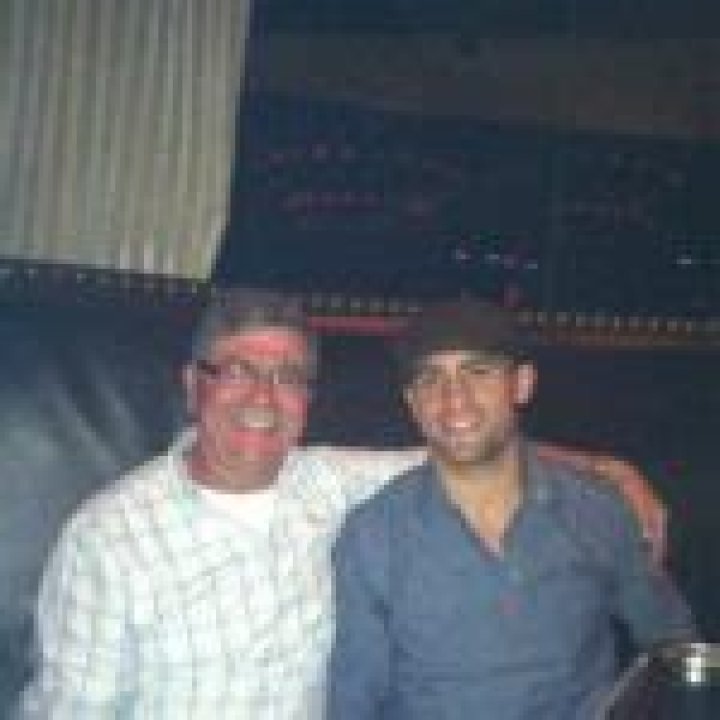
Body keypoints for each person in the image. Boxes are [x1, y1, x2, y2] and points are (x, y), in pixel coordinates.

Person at [19, 288, 668, 719]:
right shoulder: (110, 539)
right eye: (239, 370)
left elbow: (464, 444)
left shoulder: (327, 482)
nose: (263, 397)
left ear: (308, 398)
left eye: (288, 377)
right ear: (194, 387)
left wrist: (601, 467)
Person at [327, 298, 696, 720]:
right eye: (431, 378)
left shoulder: (596, 512)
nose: (454, 399)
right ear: (412, 402)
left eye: (478, 372)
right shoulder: (373, 536)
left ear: (521, 384)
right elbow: (355, 696)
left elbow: (672, 648)